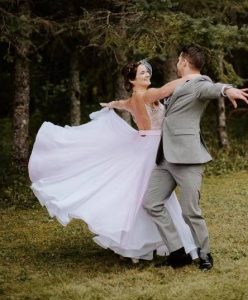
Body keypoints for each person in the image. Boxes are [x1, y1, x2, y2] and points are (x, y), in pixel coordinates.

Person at [28, 60, 201, 262]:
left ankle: (166, 245)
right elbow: (165, 90)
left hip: (149, 145)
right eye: (142, 73)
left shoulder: (133, 98)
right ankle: (164, 245)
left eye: (147, 72)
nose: (147, 75)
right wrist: (188, 78)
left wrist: (112, 104)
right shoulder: (144, 95)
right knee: (155, 198)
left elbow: (122, 104)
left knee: (146, 197)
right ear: (131, 79)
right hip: (153, 148)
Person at [141, 45, 248, 270]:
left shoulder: (200, 84)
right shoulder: (182, 85)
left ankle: (205, 254)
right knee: (151, 203)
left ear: (183, 61)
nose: (177, 64)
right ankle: (177, 253)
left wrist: (227, 90)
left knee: (190, 210)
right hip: (165, 158)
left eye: (178, 60)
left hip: (188, 158)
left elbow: (213, 89)